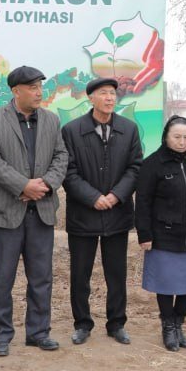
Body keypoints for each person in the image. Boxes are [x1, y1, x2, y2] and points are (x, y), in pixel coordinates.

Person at [0, 67, 69, 356]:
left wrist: (46, 184)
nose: (39, 92)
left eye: (40, 86)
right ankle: (1, 334)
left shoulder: (52, 120)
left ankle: (39, 332)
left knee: (42, 277)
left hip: (41, 210)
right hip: (6, 210)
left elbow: (61, 156)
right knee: (1, 277)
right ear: (15, 90)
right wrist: (23, 186)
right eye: (32, 87)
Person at [62, 78, 143, 345]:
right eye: (103, 93)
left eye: (113, 94)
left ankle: (116, 323)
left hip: (117, 214)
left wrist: (116, 195)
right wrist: (93, 197)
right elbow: (68, 171)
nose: (110, 98)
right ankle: (82, 324)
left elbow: (135, 167)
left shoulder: (129, 129)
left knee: (116, 273)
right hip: (83, 214)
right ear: (91, 98)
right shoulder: (72, 131)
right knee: (80, 273)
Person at [135, 116, 186, 351]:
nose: (181, 142)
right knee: (166, 283)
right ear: (166, 137)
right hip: (163, 233)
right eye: (177, 137)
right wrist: (144, 234)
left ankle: (179, 323)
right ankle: (168, 326)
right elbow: (143, 202)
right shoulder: (152, 164)